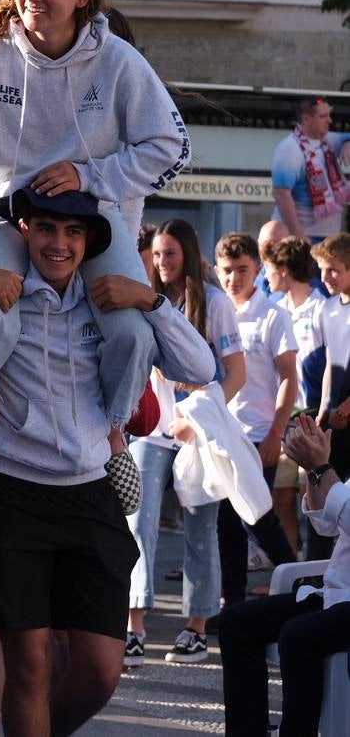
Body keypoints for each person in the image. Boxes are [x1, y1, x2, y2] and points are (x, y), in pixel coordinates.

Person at [0, 189, 212, 736]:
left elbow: (202, 367)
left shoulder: (111, 299)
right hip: (7, 492)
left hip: (91, 494)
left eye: (72, 233)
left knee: (99, 672)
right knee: (28, 665)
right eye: (46, 229)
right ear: (24, 231)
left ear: (89, 240)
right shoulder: (1, 288)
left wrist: (150, 300)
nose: (59, 244)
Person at [0, 0, 190, 469]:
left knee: (132, 333)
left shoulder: (118, 62)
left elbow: (172, 147)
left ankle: (115, 441)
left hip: (96, 226)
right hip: (6, 220)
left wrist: (88, 175)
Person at [125, 219, 246, 668]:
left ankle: (196, 628)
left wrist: (199, 418)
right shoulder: (148, 300)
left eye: (170, 254)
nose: (161, 263)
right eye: (157, 255)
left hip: (199, 435)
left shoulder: (215, 303)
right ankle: (134, 623)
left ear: (189, 255)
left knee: (200, 529)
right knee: (138, 524)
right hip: (152, 433)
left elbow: (236, 372)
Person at [218, 414, 350, 736]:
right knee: (236, 623)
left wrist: (321, 467)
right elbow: (326, 521)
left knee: (298, 635)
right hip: (337, 595)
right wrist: (311, 468)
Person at [213, 232, 298, 605]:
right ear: (217, 271)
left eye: (243, 270)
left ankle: (299, 586)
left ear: (258, 269)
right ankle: (233, 605)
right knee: (227, 527)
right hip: (219, 434)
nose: (235, 279)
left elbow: (289, 378)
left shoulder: (272, 315)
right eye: (228, 271)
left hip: (258, 434)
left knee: (258, 519)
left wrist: (276, 433)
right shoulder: (215, 308)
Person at [265, 235, 327, 552]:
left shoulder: (322, 309)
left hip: (313, 418)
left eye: (270, 269)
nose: (266, 276)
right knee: (281, 499)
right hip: (281, 418)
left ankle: (316, 575)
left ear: (285, 269)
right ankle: (292, 574)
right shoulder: (274, 309)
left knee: (312, 499)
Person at [312, 233, 350, 560]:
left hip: (346, 415)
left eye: (334, 270)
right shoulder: (327, 308)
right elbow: (329, 362)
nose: (325, 278)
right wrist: (326, 408)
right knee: (323, 498)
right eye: (322, 269)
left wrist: (346, 409)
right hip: (335, 419)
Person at [271, 96, 350, 242]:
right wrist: (298, 236)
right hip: (300, 237)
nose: (330, 121)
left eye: (329, 115)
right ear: (306, 119)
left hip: (328, 237)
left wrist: (347, 143)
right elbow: (281, 194)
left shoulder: (329, 140)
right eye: (323, 116)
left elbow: (346, 138)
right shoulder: (289, 149)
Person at [255, 219, 290, 296]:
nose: (272, 250)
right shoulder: (250, 276)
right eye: (266, 245)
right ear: (258, 245)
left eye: (278, 245)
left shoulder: (296, 282)